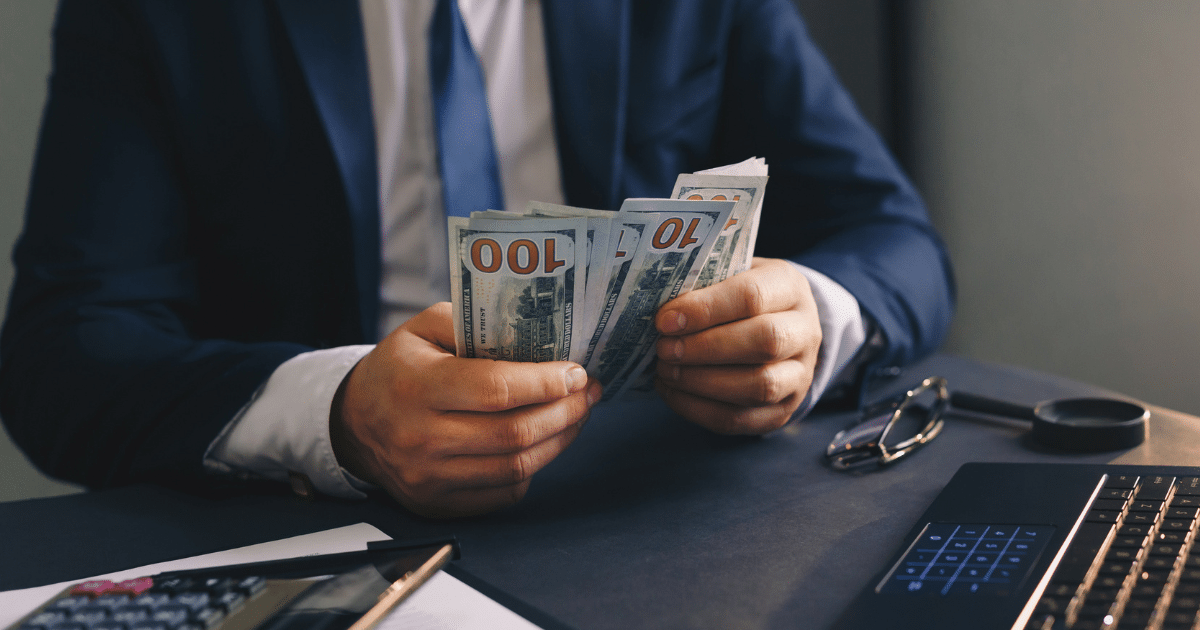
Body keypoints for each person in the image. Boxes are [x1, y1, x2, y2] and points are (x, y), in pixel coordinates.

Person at [0, 0, 954, 517]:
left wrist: (810, 320)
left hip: (656, 508)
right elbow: (64, 354)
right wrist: (337, 414)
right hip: (321, 526)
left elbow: (895, 241)